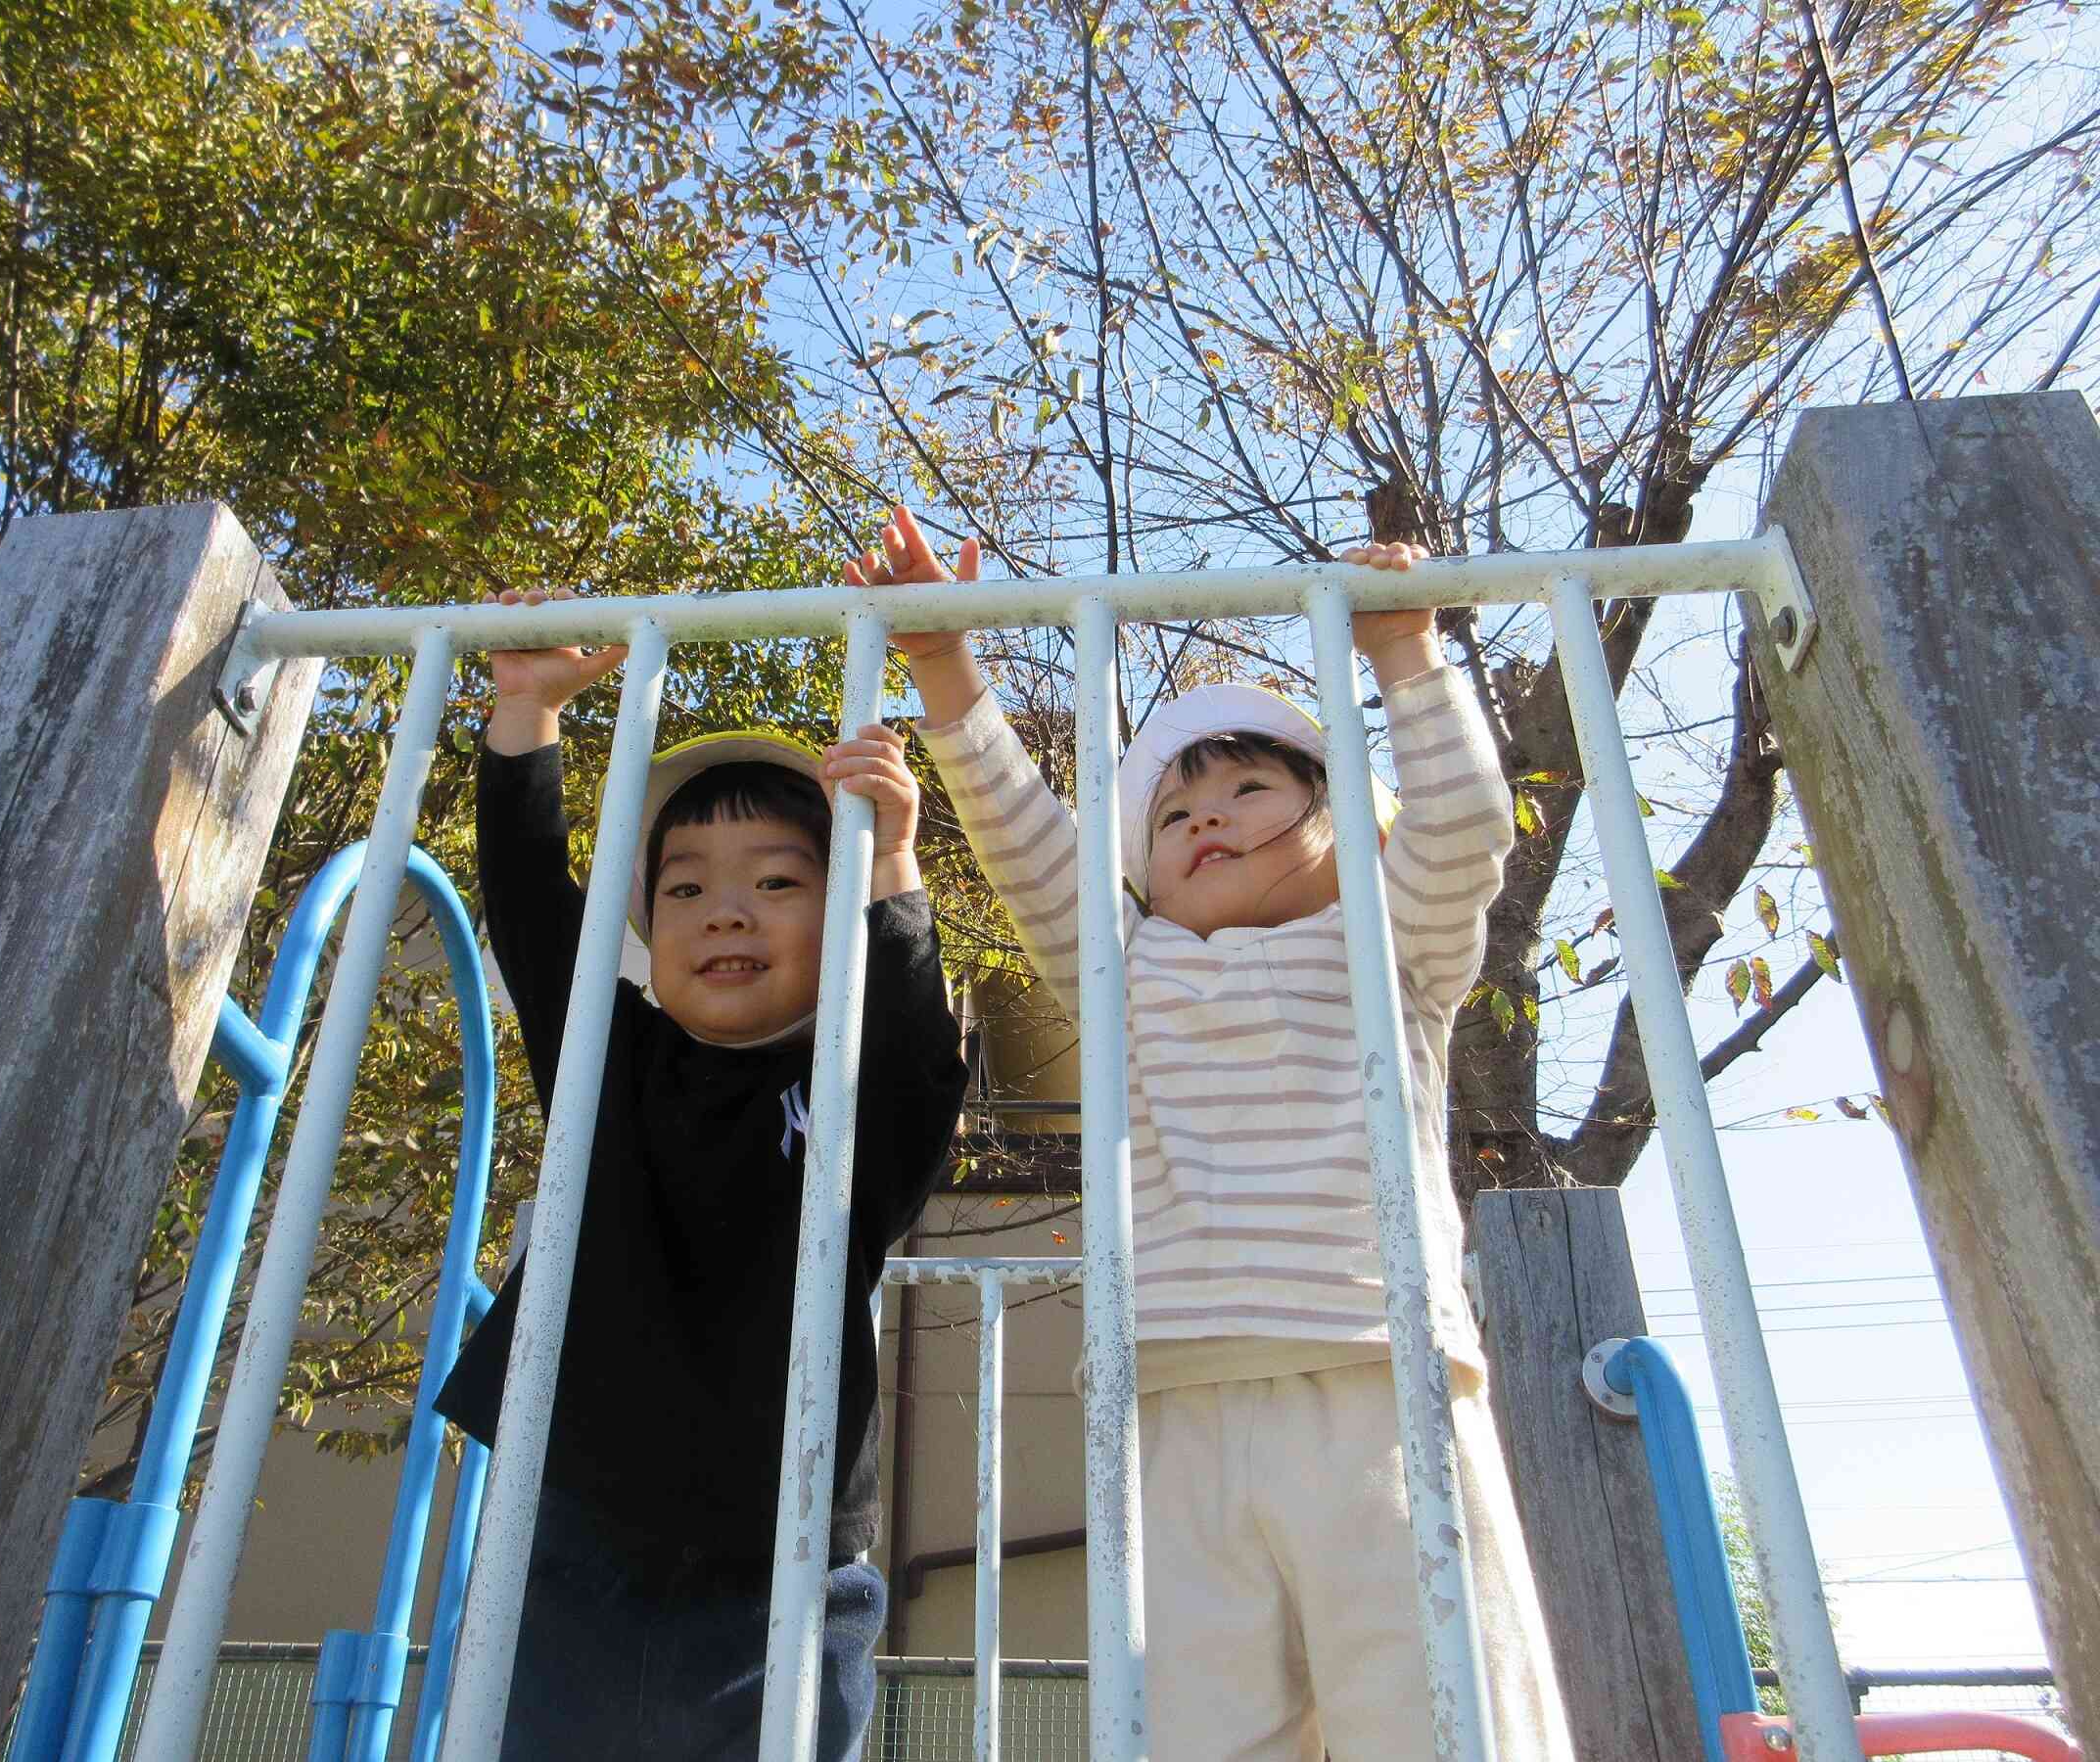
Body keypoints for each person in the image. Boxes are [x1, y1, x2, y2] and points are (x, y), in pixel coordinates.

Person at [852, 509, 1572, 1761]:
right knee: (1202, 1722)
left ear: (1351, 831)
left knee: (1440, 1704)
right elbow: (1028, 846)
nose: (1207, 819)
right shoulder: (1131, 970)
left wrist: (1407, 654)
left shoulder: (1386, 950)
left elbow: (1463, 837)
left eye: (1253, 788)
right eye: (1171, 816)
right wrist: (945, 672)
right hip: (1171, 1391)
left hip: (1373, 1373)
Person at [434, 586, 970, 1761]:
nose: (725, 911)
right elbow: (530, 912)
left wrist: (893, 872)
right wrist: (521, 718)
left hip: (780, 1559)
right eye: (685, 890)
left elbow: (920, 1060)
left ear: (837, 918)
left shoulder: (850, 1092)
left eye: (778, 883)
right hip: (578, 1531)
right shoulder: (610, 1054)